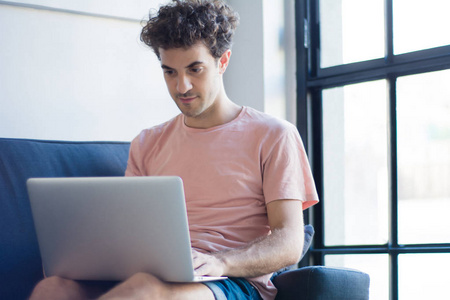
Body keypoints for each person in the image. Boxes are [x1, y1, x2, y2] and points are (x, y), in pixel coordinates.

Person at [29, 0, 319, 299]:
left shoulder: (274, 135)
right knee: (53, 288)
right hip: (151, 274)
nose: (182, 87)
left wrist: (220, 262)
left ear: (223, 61)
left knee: (143, 291)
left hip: (230, 280)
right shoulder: (147, 142)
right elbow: (129, 232)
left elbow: (288, 242)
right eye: (170, 72)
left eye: (195, 69)